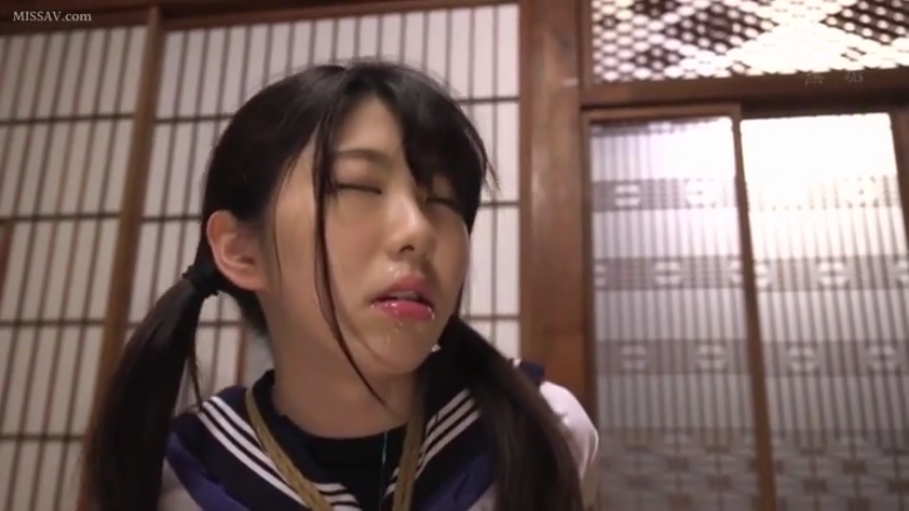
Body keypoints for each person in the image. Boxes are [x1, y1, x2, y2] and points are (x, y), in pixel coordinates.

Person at [83, 61, 597, 511]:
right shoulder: (177, 482)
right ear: (241, 251)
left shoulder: (543, 432)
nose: (418, 231)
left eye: (442, 199)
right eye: (357, 186)